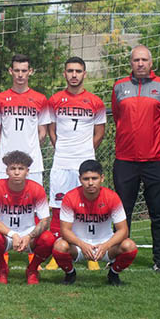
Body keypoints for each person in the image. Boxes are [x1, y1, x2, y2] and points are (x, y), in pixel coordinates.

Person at [111, 44, 160, 273]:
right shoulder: (119, 87)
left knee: (158, 212)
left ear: (151, 63)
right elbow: (118, 117)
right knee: (121, 213)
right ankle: (119, 256)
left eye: (144, 60)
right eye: (136, 60)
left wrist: (154, 143)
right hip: (125, 160)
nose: (140, 64)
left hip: (155, 160)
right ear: (131, 63)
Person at [51, 160, 138, 286]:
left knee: (130, 246)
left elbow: (123, 230)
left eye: (94, 178)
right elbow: (65, 230)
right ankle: (70, 274)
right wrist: (82, 245)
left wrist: (106, 245)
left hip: (105, 244)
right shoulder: (70, 197)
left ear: (102, 178)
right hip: (78, 246)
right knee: (59, 246)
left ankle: (113, 274)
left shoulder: (112, 197)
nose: (90, 183)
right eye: (86, 179)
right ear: (80, 179)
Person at [47, 57, 106, 234]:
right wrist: (63, 149)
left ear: (84, 74)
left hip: (85, 161)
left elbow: (100, 132)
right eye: (70, 71)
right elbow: (52, 130)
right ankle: (58, 248)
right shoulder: (55, 100)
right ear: (65, 74)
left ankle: (89, 249)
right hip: (61, 162)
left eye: (78, 71)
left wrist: (85, 150)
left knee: (88, 206)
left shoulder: (95, 102)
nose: (74, 75)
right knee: (59, 207)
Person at [0, 150, 55, 285]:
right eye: (13, 168)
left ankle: (32, 269)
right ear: (6, 171)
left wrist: (29, 236)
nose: (17, 172)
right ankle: (2, 268)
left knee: (48, 238)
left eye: (21, 169)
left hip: (28, 233)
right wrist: (13, 234)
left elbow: (45, 220)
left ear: (27, 171)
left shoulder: (37, 189)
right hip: (5, 234)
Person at [0, 54, 52, 186]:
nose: (20, 74)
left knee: (33, 203)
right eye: (17, 70)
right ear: (11, 71)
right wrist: (3, 151)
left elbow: (42, 132)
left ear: (30, 71)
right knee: (4, 203)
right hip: (5, 163)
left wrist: (30, 148)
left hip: (33, 163)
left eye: (24, 71)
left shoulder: (40, 99)